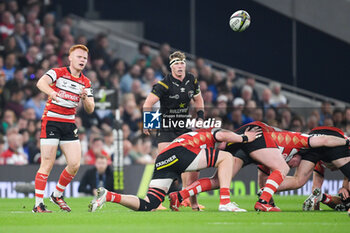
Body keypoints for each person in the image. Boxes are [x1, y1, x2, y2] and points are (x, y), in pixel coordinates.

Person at [170, 121, 349, 212]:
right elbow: (324, 139)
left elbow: (263, 178)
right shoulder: (299, 140)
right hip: (257, 134)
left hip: (246, 142)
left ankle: (180, 195)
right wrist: (346, 140)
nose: (294, 164)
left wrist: (268, 194)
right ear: (299, 156)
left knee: (218, 180)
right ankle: (262, 203)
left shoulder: (271, 156)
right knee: (282, 169)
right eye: (297, 163)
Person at [89, 127, 261, 212]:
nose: (224, 145)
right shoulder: (209, 133)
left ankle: (109, 195)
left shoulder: (195, 143)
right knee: (227, 158)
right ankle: (225, 202)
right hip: (179, 153)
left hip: (163, 158)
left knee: (150, 204)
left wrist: (194, 206)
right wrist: (244, 138)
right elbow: (222, 135)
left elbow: (192, 177)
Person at [32, 44, 95, 213]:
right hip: (51, 120)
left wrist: (86, 99)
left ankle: (57, 195)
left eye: (85, 58)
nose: (82, 60)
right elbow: (41, 82)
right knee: (47, 163)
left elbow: (91, 109)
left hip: (69, 123)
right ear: (70, 58)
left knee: (74, 164)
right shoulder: (58, 72)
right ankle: (38, 204)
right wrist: (52, 93)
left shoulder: (86, 82)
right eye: (79, 57)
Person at [143, 51, 205, 210]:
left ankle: (191, 201)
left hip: (184, 128)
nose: (180, 66)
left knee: (191, 164)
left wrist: (200, 116)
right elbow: (148, 103)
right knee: (164, 164)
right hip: (167, 128)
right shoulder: (163, 84)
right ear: (171, 68)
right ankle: (155, 202)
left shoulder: (192, 79)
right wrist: (148, 124)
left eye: (182, 63)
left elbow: (198, 99)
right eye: (176, 63)